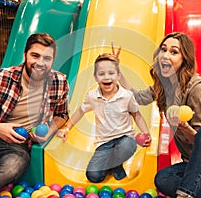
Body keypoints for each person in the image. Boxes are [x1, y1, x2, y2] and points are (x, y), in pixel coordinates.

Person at [118, 32, 201, 198]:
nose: (165, 55)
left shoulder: (196, 89)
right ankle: (192, 192)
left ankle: (184, 194)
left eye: (174, 52)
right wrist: (117, 73)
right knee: (163, 179)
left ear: (184, 59)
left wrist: (184, 128)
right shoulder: (162, 87)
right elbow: (136, 97)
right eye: (163, 50)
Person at [0, 33, 69, 197]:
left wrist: (48, 132)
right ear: (25, 55)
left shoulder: (59, 82)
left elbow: (62, 115)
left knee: (6, 173)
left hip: (18, 147)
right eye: (35, 55)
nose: (40, 63)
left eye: (47, 58)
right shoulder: (0, 78)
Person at [56, 53, 151, 183]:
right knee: (93, 176)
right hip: (104, 143)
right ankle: (112, 163)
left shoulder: (127, 96)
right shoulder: (92, 96)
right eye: (101, 74)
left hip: (124, 138)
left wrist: (146, 132)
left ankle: (116, 163)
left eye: (111, 73)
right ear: (95, 77)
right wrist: (66, 128)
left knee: (127, 146)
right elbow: (80, 112)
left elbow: (137, 115)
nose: (106, 77)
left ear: (118, 75)